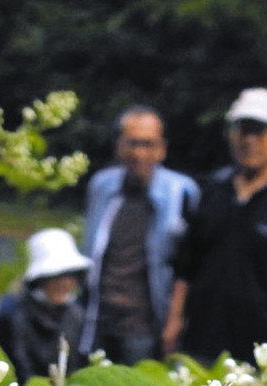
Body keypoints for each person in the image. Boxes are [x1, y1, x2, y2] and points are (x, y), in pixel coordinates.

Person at [163, 88, 267, 365]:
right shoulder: (214, 187)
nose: (249, 140)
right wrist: (174, 320)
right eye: (242, 130)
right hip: (200, 338)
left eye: (259, 131)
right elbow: (187, 263)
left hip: (265, 344)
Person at [80, 106, 199, 365]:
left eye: (148, 144)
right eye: (131, 143)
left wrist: (176, 319)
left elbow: (189, 264)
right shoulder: (102, 186)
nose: (139, 153)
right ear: (118, 146)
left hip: (144, 323)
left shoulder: (180, 192)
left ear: (162, 148)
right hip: (98, 317)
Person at [0, 228, 91, 384]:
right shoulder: (11, 313)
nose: (65, 283)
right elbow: (15, 364)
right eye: (57, 276)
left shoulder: (76, 314)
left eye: (71, 275)